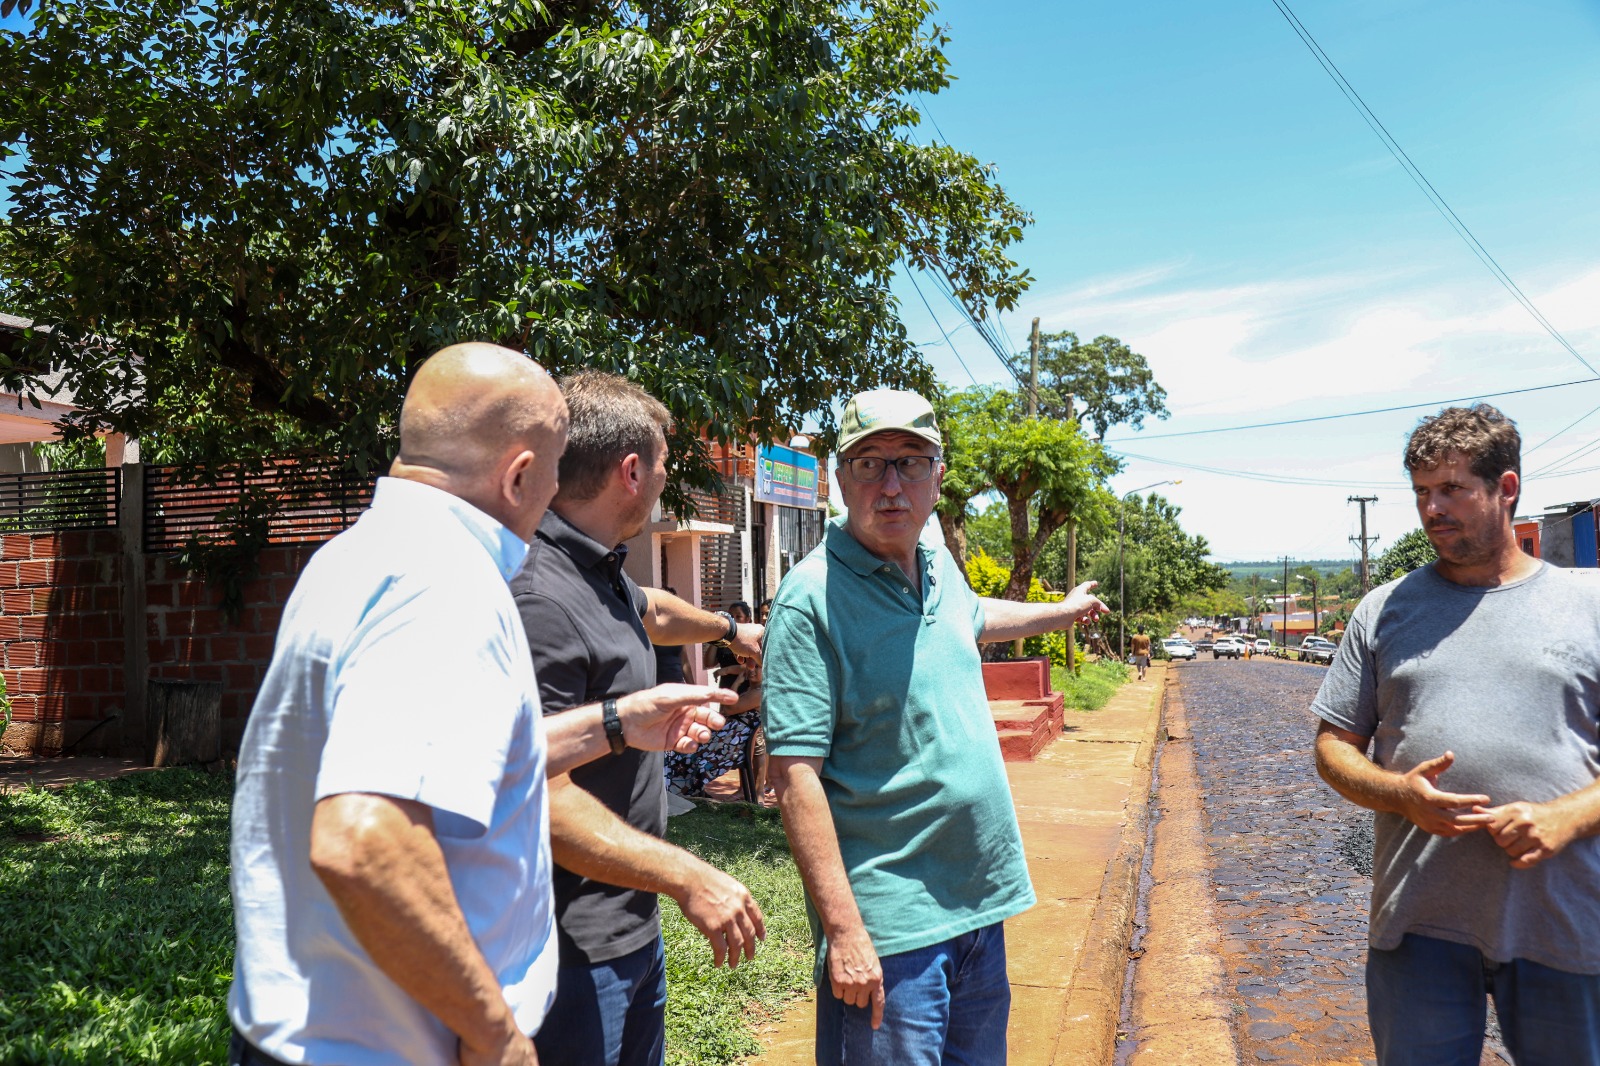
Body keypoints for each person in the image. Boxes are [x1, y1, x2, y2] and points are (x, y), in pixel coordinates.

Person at [227, 344, 732, 1066]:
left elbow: (470, 755)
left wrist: (617, 721)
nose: (557, 489)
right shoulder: (445, 583)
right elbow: (363, 841)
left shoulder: (358, 555)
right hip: (389, 1045)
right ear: (520, 475)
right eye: (554, 468)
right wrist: (495, 1033)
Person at [762, 389, 1109, 1065]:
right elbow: (794, 777)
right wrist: (845, 933)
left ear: (938, 476)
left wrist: (1062, 612)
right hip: (891, 929)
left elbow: (975, 616)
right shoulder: (810, 600)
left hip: (978, 904)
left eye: (911, 463)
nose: (892, 485)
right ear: (841, 479)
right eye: (870, 464)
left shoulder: (937, 561)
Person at [1312, 404, 1600, 1066]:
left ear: (1506, 488)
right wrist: (1399, 794)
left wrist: (1566, 816)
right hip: (1418, 922)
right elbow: (1332, 748)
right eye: (1421, 492)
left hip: (1566, 922)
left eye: (1451, 489)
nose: (1432, 509)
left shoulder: (1589, 605)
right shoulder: (1384, 609)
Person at [512, 370, 768, 1066]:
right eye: (662, 464)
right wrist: (688, 876)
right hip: (571, 953)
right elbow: (539, 795)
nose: (664, 479)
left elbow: (652, 610)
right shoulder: (541, 599)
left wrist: (730, 630)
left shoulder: (595, 571)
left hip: (627, 927)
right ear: (631, 470)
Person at [664, 660, 764, 799]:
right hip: (724, 740)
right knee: (676, 749)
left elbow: (729, 708)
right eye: (750, 666)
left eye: (758, 667)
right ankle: (683, 790)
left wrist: (736, 682)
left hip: (730, 746)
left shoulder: (759, 693)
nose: (752, 670)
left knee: (682, 753)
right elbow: (726, 708)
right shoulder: (751, 690)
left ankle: (682, 791)